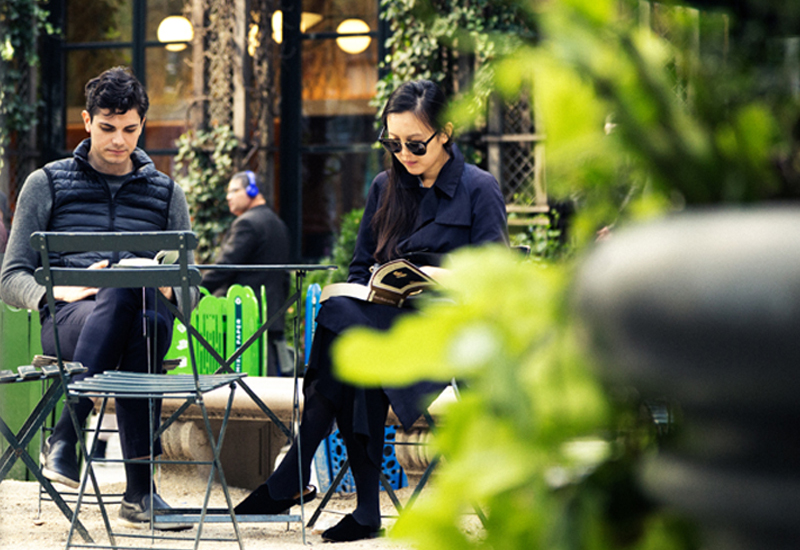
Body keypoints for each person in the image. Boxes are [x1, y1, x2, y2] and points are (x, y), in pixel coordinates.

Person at [233, 80, 508, 542]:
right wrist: (368, 289)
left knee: (349, 338)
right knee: (345, 312)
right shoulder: (385, 187)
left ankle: (319, 488)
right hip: (385, 326)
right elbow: (361, 265)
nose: (403, 153)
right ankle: (339, 499)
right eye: (392, 142)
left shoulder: (479, 189)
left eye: (415, 143)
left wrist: (440, 280)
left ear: (446, 133)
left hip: (446, 337)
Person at [0, 67, 197, 530]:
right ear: (87, 121)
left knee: (137, 296)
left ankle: (67, 435)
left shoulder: (168, 193)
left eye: (130, 130)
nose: (118, 141)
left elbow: (190, 290)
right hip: (71, 318)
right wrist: (61, 289)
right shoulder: (45, 183)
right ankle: (141, 495)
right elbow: (10, 277)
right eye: (107, 128)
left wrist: (169, 286)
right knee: (135, 319)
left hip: (148, 316)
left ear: (142, 125)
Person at [201, 171, 291, 376]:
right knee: (265, 377)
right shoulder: (277, 223)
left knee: (242, 379)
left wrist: (195, 290)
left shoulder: (247, 223)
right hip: (271, 312)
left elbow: (224, 267)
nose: (228, 197)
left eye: (234, 190)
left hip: (243, 315)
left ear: (252, 190)